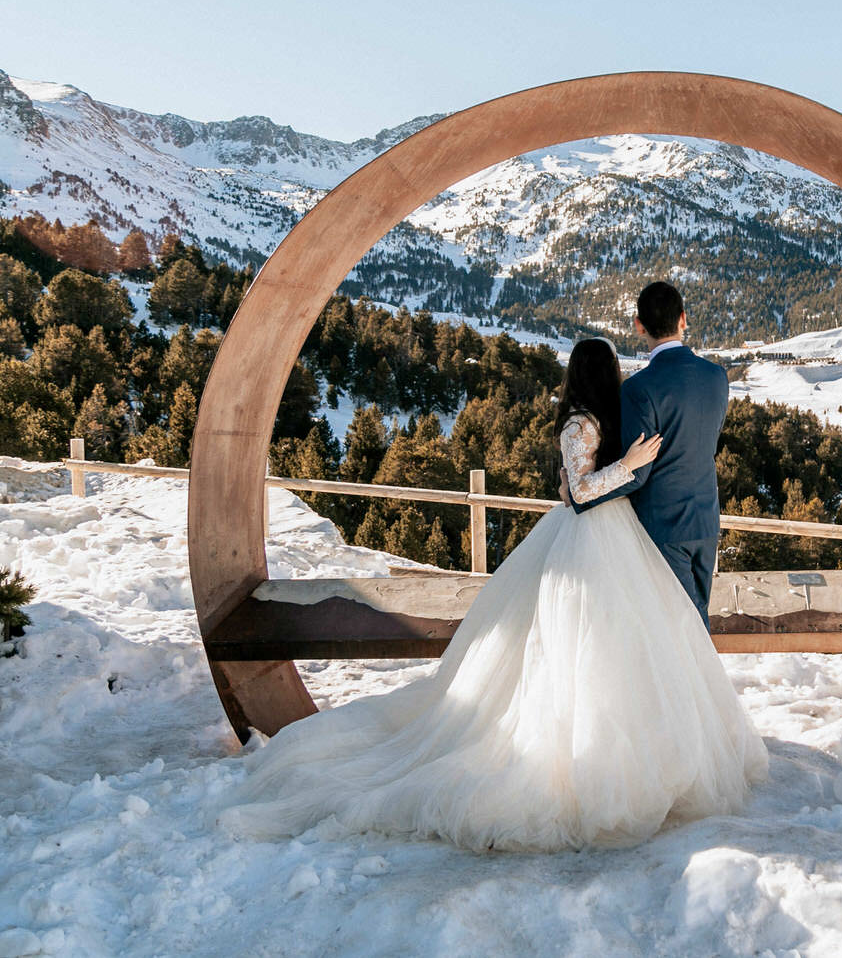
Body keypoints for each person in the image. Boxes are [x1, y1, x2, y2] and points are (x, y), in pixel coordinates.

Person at [218, 335, 767, 852]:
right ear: (604, 377)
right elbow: (579, 493)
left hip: (619, 536)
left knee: (622, 646)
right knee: (573, 647)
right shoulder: (579, 424)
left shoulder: (605, 419)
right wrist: (627, 465)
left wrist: (625, 467)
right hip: (588, 540)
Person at [566, 281, 728, 625]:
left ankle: (694, 681)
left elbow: (637, 473)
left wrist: (579, 495)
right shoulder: (717, 377)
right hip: (706, 519)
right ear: (683, 319)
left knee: (682, 628)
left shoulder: (640, 388)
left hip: (663, 526)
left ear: (639, 325)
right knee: (694, 619)